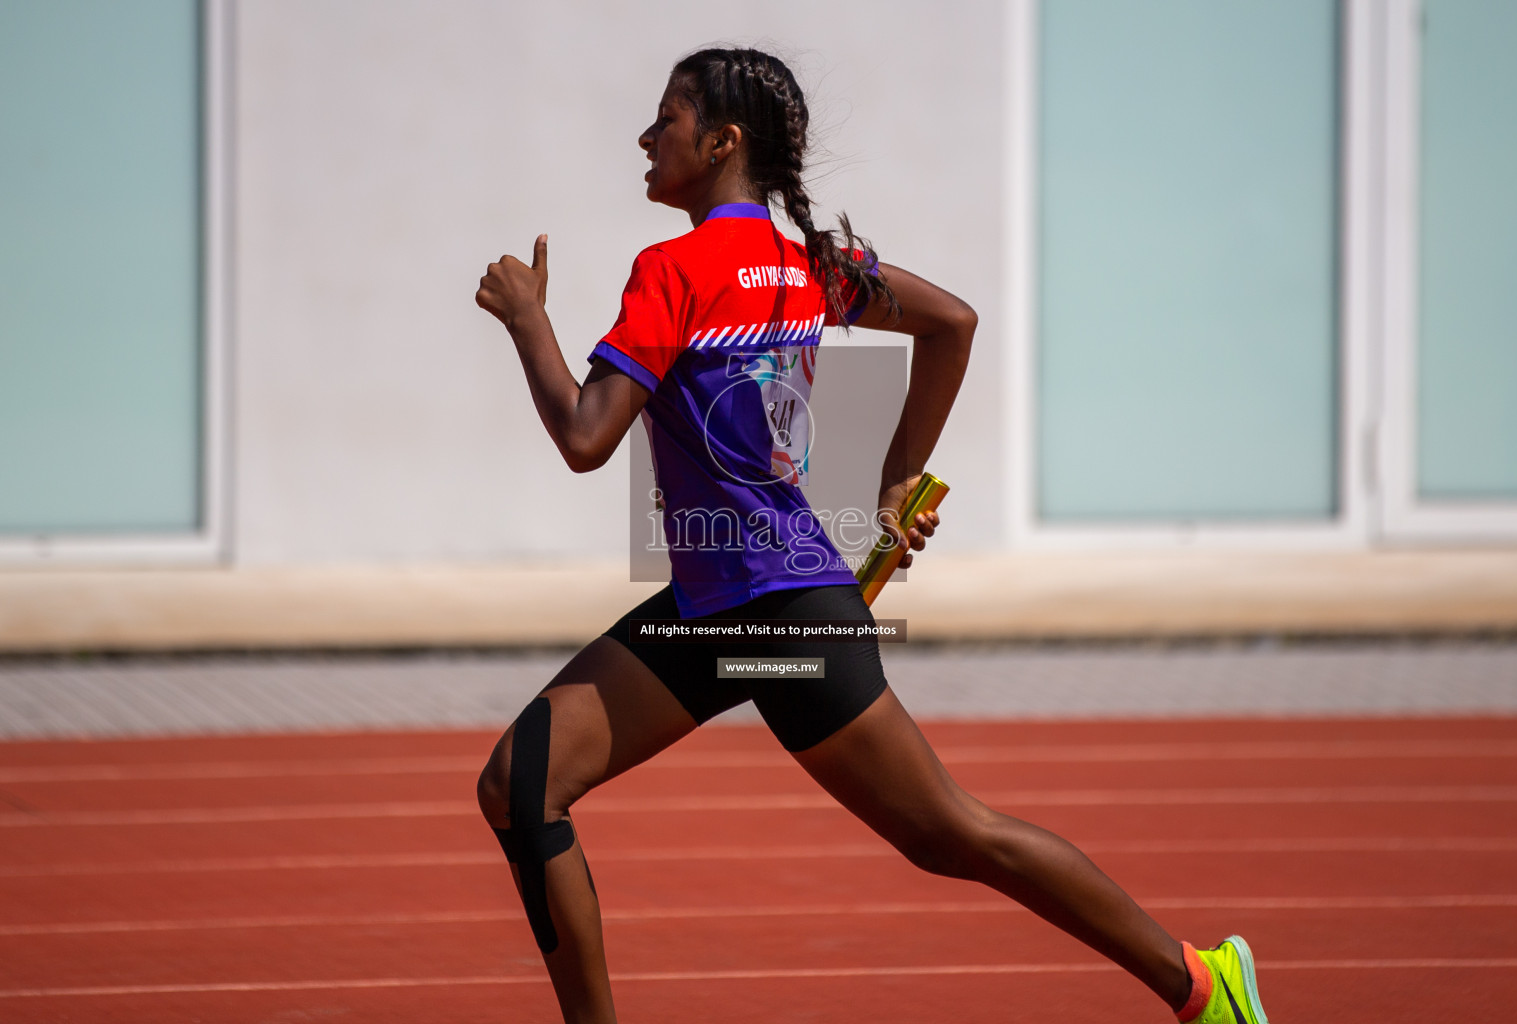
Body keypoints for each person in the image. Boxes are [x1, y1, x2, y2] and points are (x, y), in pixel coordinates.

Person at [473, 46, 1269, 1024]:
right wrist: (896, 488)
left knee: (952, 832)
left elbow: (586, 436)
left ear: (721, 142)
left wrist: (528, 322)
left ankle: (1202, 981)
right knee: (523, 782)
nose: (646, 137)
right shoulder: (809, 264)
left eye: (666, 120)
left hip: (782, 613)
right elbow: (954, 323)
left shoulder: (673, 270)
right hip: (728, 607)